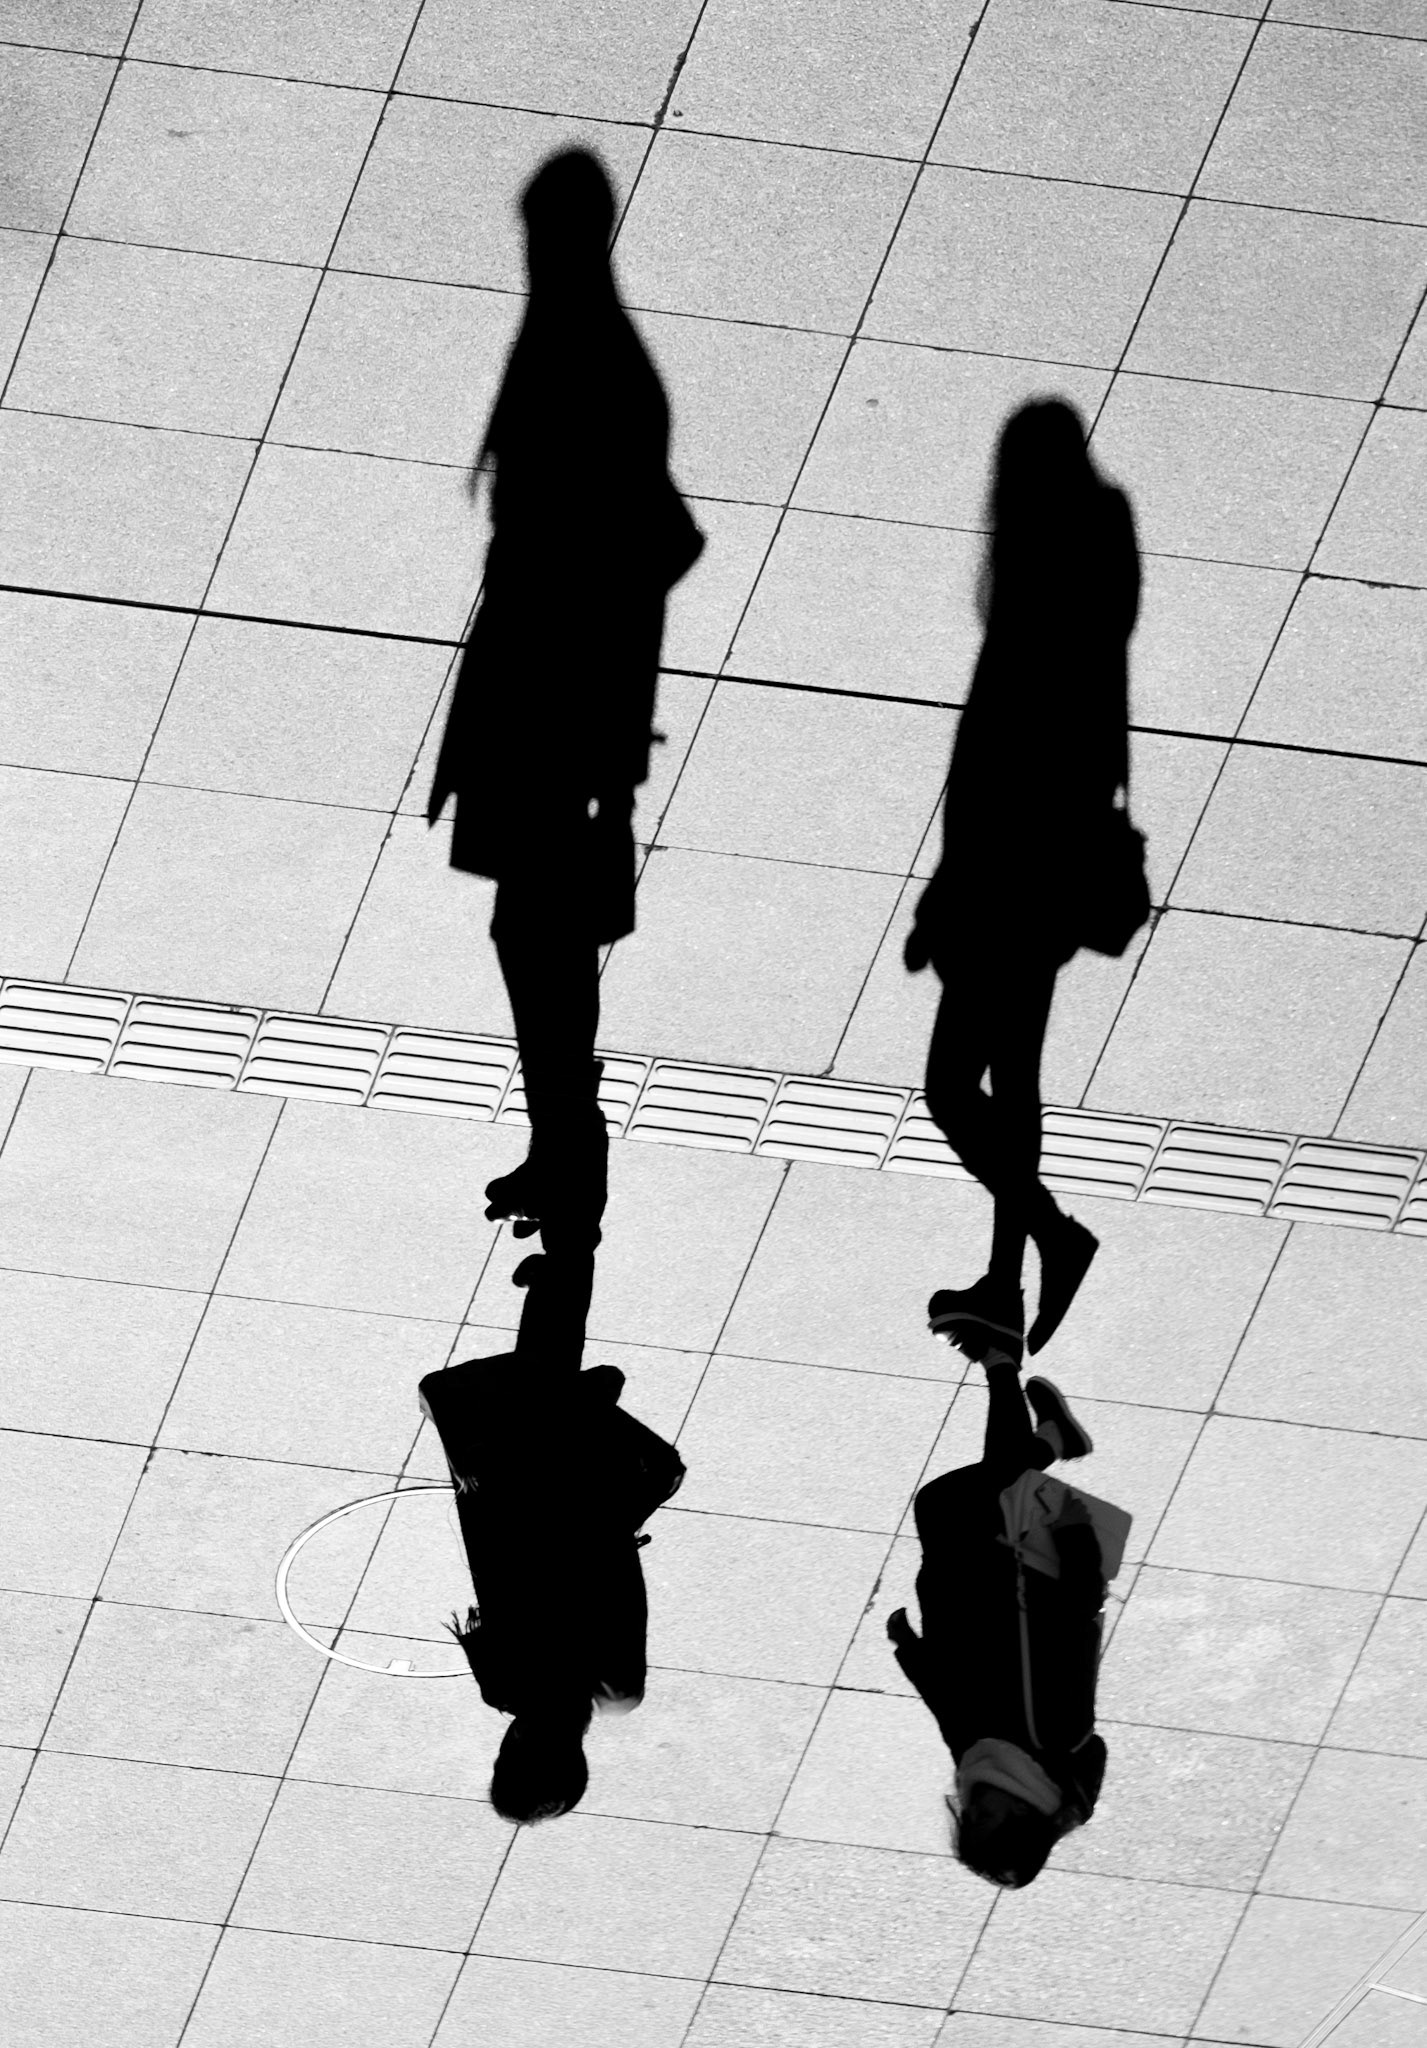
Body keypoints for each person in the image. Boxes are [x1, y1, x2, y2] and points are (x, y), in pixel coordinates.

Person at [426, 147, 704, 1258]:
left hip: (552, 701)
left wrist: (598, 714)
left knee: (531, 927)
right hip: (548, 695)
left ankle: (569, 1144)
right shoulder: (591, 354)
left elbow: (652, 540)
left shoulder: (584, 361)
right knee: (538, 929)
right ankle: (564, 1139)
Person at [905, 399, 1140, 1360]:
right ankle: (1006, 1274)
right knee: (1012, 1078)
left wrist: (945, 886)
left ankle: (1049, 1237)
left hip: (1001, 869)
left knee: (954, 1086)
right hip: (1049, 870)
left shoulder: (1034, 589)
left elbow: (990, 750)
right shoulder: (1094, 570)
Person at [419, 1314, 685, 1826]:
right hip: (505, 1492)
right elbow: (495, 1581)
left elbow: (623, 1589)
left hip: (578, 1504)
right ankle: (562, 1270)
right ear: (509, 1751)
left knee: (662, 1467)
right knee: (527, 1378)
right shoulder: (503, 1687)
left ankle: (581, 1382)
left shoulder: (616, 1691)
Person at [887, 1329, 1108, 1887]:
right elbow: (1075, 1628)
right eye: (985, 1820)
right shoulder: (1057, 1736)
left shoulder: (983, 1768)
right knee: (978, 1487)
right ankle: (1000, 1360)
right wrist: (1078, 1534)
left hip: (960, 1587)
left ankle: (1050, 1436)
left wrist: (909, 1651)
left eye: (969, 1821)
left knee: (973, 1487)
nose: (972, 1808)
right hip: (1014, 1574)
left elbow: (949, 1708)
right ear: (1021, 1816)